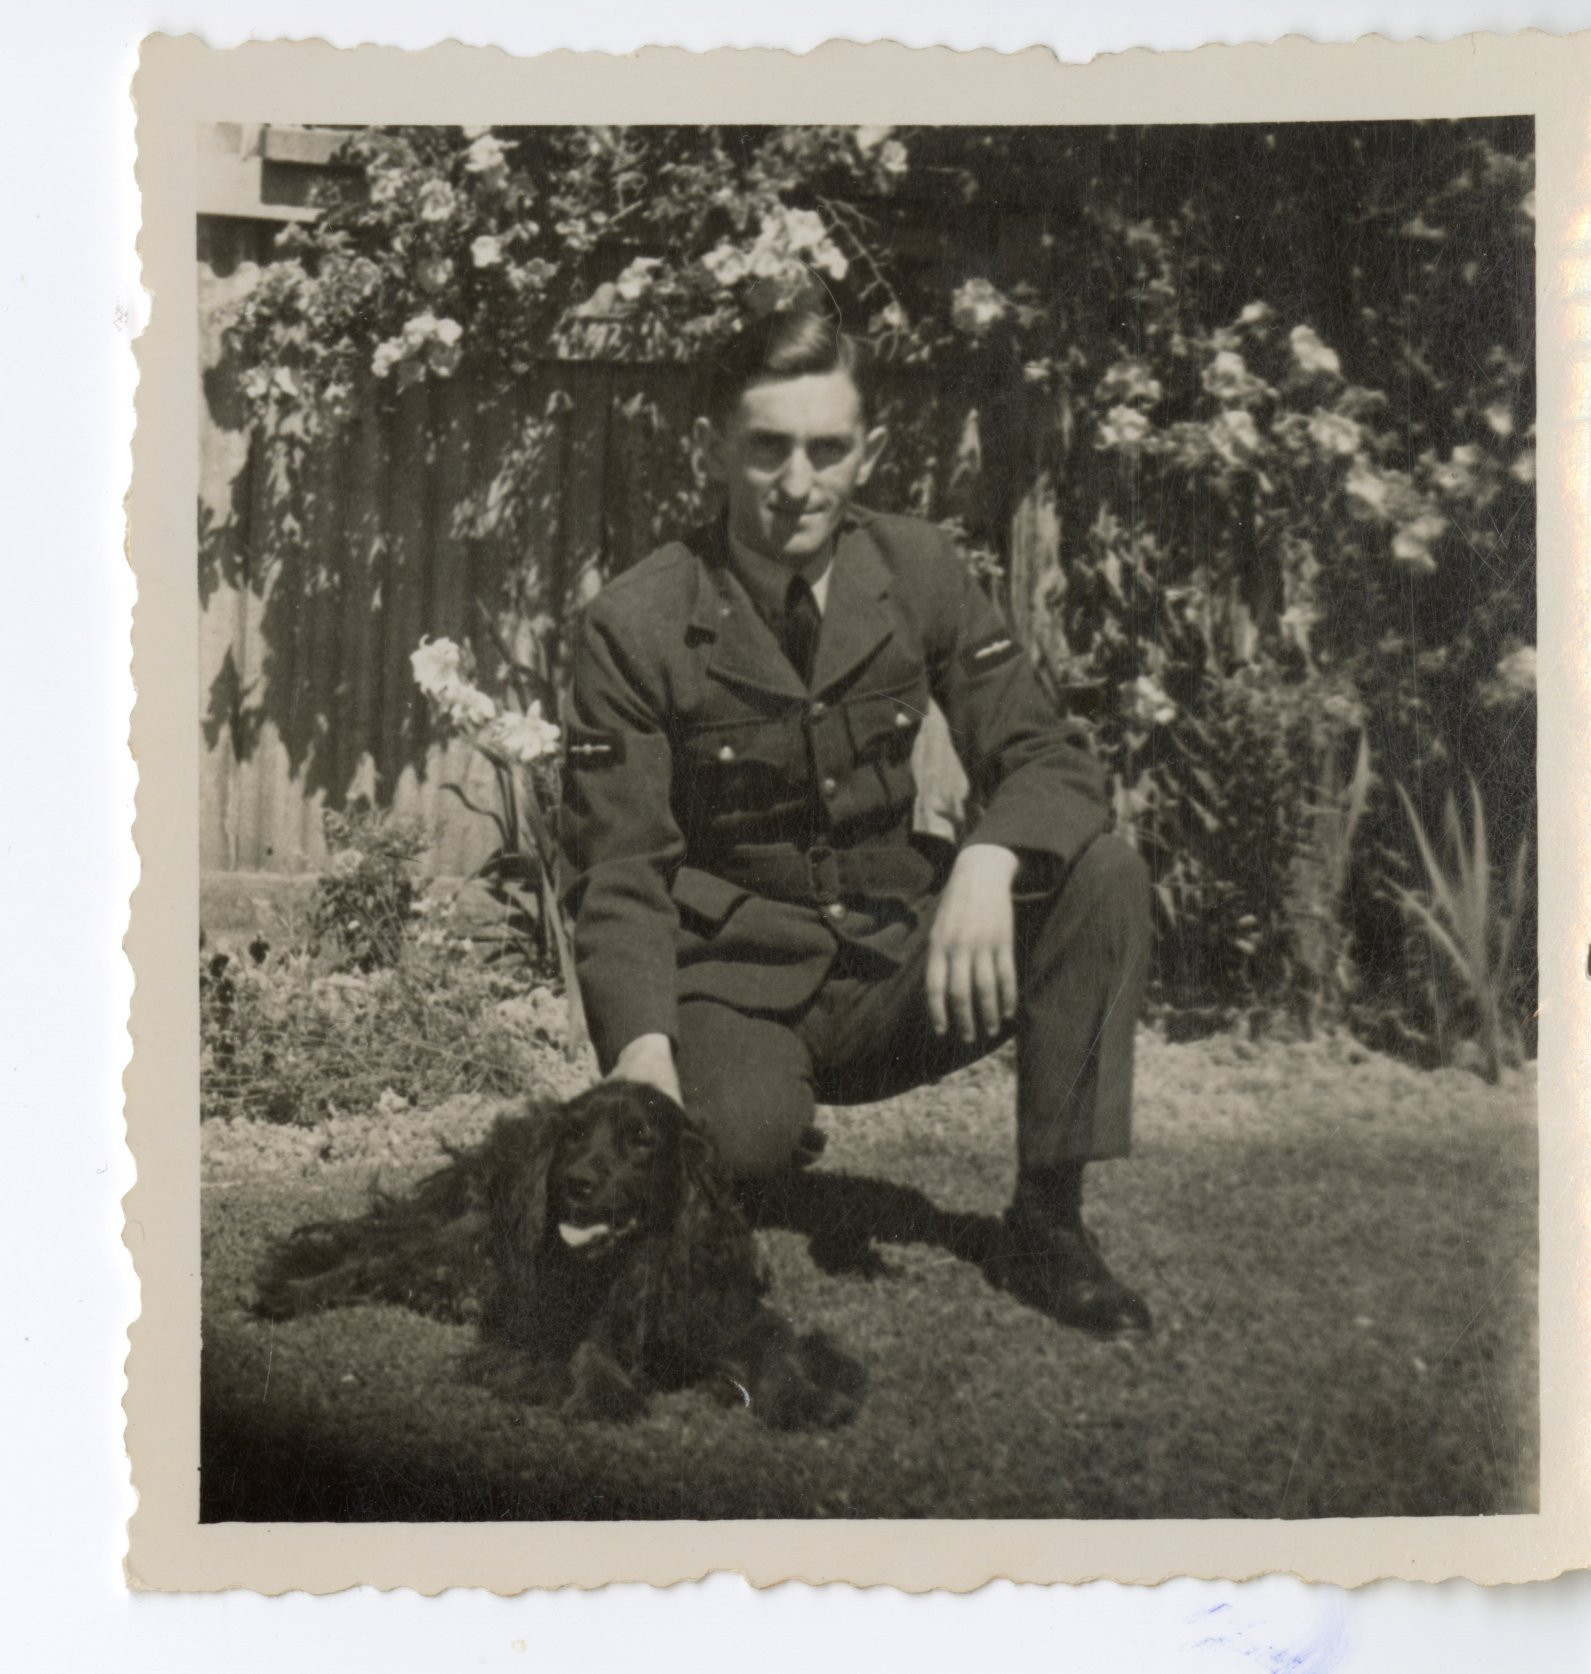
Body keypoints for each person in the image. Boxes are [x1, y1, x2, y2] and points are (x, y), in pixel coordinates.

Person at [559, 305, 1152, 1334]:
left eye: (827, 450)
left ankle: (1048, 1222)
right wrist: (643, 1057)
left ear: (866, 453)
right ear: (712, 451)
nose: (798, 483)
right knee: (734, 1141)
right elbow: (621, 870)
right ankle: (759, 1128)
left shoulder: (917, 569)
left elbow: (1048, 758)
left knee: (1100, 874)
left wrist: (988, 860)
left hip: (896, 971)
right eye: (768, 448)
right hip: (738, 984)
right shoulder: (636, 622)